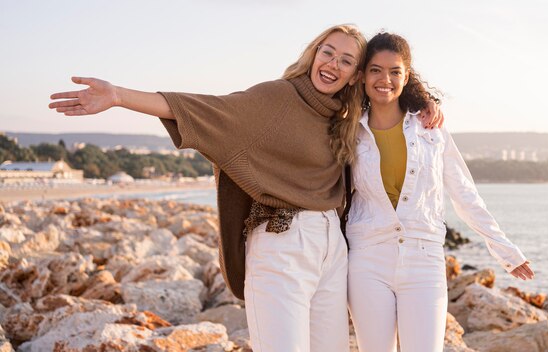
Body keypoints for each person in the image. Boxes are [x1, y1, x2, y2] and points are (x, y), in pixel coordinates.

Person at [49, 25, 443, 352]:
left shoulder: (344, 117)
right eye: (327, 52)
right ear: (313, 53)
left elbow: (389, 87)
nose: (332, 65)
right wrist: (118, 96)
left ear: (355, 74)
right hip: (281, 244)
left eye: (346, 61)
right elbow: (202, 108)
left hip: (333, 252)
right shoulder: (276, 97)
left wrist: (424, 101)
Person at [345, 32, 534, 352]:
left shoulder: (429, 129)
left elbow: (464, 192)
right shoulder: (349, 131)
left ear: (407, 77)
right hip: (367, 261)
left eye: (395, 71)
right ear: (362, 76)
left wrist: (504, 250)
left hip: (424, 262)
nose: (385, 79)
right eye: (376, 70)